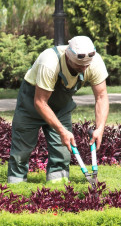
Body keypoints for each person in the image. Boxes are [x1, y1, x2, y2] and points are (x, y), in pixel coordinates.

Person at [6, 36, 110, 184]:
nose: (84, 69)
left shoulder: (94, 62)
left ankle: (58, 189)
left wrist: (100, 128)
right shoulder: (50, 62)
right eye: (79, 66)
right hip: (32, 104)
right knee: (21, 151)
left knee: (62, 152)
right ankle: (15, 189)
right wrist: (62, 130)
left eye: (86, 66)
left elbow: (101, 96)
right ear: (68, 57)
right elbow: (40, 102)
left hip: (61, 107)